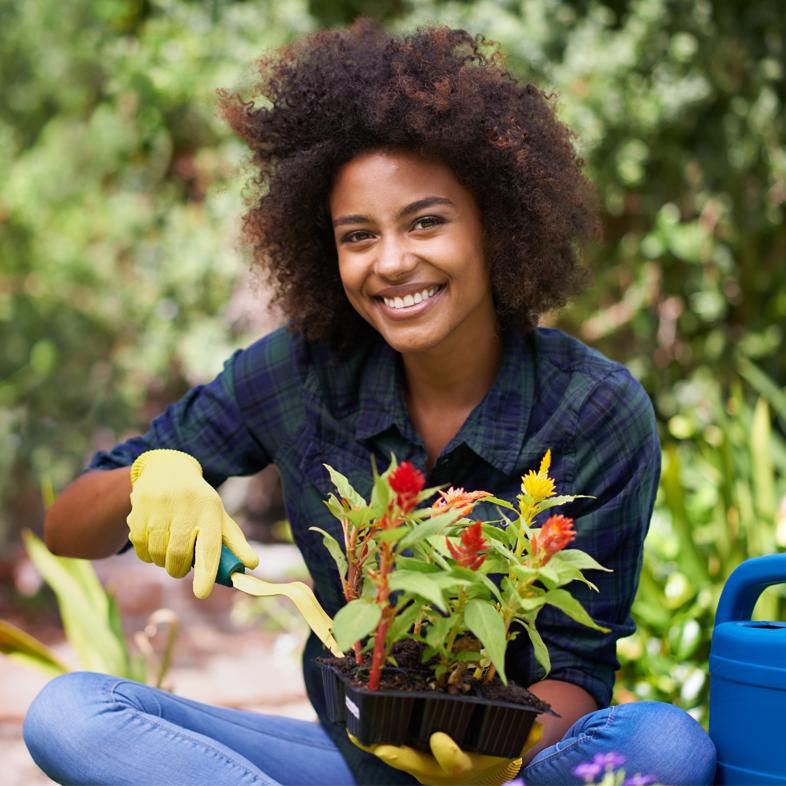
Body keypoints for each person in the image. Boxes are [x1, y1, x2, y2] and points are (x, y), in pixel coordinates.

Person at [23, 20, 716, 786]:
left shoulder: (594, 408)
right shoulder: (299, 371)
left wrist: (486, 760)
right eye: (358, 235)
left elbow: (577, 671)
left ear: (494, 222)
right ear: (328, 252)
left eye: (426, 221)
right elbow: (68, 526)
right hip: (352, 765)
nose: (392, 262)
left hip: (511, 768)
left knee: (665, 749)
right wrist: (152, 473)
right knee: (70, 714)